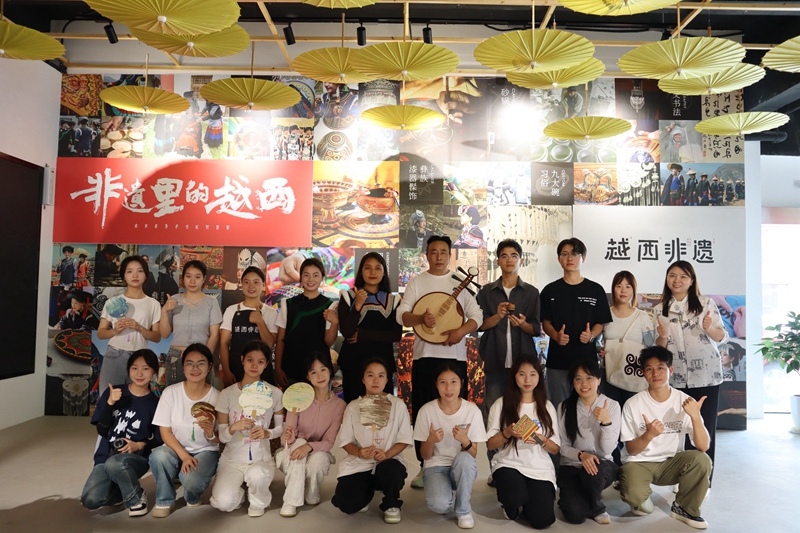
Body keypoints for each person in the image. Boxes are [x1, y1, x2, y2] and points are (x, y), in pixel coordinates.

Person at [397, 235, 482, 488]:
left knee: (456, 411)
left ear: (449, 255)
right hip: (425, 357)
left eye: (443, 252)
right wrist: (420, 319)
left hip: (455, 357)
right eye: (433, 252)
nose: (438, 256)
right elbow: (402, 315)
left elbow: (477, 315)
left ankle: (458, 463)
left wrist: (460, 332)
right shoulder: (417, 281)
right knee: (424, 410)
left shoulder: (459, 282)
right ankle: (425, 466)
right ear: (426, 255)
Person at [619, 346, 712, 530]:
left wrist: (695, 416)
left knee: (702, 460)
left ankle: (685, 508)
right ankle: (640, 501)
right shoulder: (632, 404)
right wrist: (648, 435)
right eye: (649, 369)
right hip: (639, 462)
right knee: (636, 499)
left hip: (671, 462)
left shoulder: (684, 401)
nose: (655, 373)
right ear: (643, 373)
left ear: (670, 370)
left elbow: (703, 446)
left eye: (660, 368)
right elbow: (632, 450)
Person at [653, 261, 727, 480]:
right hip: (675, 378)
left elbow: (721, 337)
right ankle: (681, 477)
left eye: (683, 276)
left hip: (706, 376)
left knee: (704, 427)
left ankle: (704, 479)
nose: (677, 280)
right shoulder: (659, 309)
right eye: (672, 275)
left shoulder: (706, 304)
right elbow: (659, 347)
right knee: (678, 428)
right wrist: (662, 336)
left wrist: (708, 328)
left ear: (692, 280)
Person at [476, 239, 540, 465]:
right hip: (495, 363)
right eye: (504, 256)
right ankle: (496, 465)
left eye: (514, 255)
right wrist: (498, 316)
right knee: (495, 414)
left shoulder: (531, 292)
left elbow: (536, 329)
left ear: (520, 260)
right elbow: (480, 325)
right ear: (498, 261)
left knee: (524, 413)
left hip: (523, 366)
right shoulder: (487, 292)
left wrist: (523, 324)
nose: (509, 260)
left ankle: (523, 462)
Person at [332, 358, 413, 524]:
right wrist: (358, 452)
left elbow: (404, 439)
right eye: (370, 375)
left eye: (381, 375)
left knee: (392, 470)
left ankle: (391, 503)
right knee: (347, 503)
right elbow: (346, 441)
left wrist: (387, 454)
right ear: (363, 378)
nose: (376, 380)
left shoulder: (397, 405)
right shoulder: (353, 406)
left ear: (387, 379)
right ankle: (366, 493)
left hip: (388, 462)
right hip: (360, 463)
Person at [81, 349, 161, 517]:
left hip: (136, 459)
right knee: (90, 500)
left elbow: (160, 438)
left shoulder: (155, 404)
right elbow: (102, 430)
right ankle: (121, 492)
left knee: (115, 464)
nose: (139, 373)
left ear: (154, 371)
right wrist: (110, 403)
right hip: (106, 457)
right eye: (134, 368)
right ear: (128, 370)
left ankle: (136, 498)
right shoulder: (114, 393)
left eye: (145, 368)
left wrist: (140, 445)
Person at [485, 354, 560, 530]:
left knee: (542, 521)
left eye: (533, 374)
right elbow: (490, 444)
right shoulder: (501, 404)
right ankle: (511, 504)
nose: (527, 380)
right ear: (514, 376)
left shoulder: (547, 406)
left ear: (539, 377)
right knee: (514, 496)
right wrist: (507, 433)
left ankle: (527, 502)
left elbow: (555, 449)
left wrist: (541, 439)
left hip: (539, 468)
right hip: (508, 464)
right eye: (522, 374)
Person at [210, 340, 285, 517]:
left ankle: (258, 501)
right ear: (242, 359)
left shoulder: (274, 393)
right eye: (250, 360)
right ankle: (240, 495)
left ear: (266, 364)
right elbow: (222, 436)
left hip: (261, 458)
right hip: (232, 460)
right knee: (223, 502)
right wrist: (233, 428)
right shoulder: (227, 394)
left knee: (257, 474)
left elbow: (280, 429)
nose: (254, 365)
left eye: (260, 361)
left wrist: (267, 433)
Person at [149, 344, 220, 518]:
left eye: (201, 363)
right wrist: (184, 456)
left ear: (209, 366)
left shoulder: (218, 397)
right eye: (190, 364)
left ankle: (193, 493)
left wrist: (211, 434)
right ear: (183, 367)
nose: (195, 368)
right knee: (158, 456)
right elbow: (165, 432)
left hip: (206, 450)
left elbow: (223, 438)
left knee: (191, 480)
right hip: (176, 449)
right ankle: (164, 499)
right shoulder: (170, 393)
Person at [413, 363, 487, 529]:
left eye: (453, 382)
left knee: (465, 459)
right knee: (439, 506)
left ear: (461, 383)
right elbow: (425, 455)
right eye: (443, 382)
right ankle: (445, 492)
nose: (448, 388)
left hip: (461, 466)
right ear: (436, 384)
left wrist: (465, 440)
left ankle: (464, 510)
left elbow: (473, 454)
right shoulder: (426, 411)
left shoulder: (472, 411)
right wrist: (431, 440)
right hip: (435, 466)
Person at [540, 238, 612, 409]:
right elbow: (546, 322)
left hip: (587, 362)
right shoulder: (550, 290)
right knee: (559, 407)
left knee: (588, 407)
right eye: (565, 254)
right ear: (559, 259)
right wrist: (555, 335)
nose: (570, 258)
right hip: (558, 361)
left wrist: (591, 335)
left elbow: (601, 322)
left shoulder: (595, 290)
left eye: (575, 254)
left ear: (583, 258)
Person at [276, 350, 346, 517]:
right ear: (308, 376)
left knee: (318, 459)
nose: (319, 375)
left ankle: (311, 491)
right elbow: (290, 437)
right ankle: (291, 501)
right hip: (292, 453)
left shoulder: (340, 406)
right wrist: (289, 437)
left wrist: (308, 447)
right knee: (299, 443)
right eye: (313, 372)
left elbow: (329, 442)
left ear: (330, 371)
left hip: (318, 452)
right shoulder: (298, 397)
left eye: (323, 369)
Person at [556, 359, 621, 525]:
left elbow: (607, 449)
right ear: (573, 382)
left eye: (589, 378)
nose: (584, 384)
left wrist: (606, 422)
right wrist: (581, 455)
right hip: (572, 466)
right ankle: (577, 499)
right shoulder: (564, 407)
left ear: (599, 380)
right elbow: (562, 446)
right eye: (578, 379)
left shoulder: (612, 406)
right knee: (575, 515)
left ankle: (597, 508)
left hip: (602, 466)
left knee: (593, 470)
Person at [338, 252, 403, 402]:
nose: (373, 272)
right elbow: (347, 331)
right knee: (354, 408)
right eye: (368, 268)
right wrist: (357, 306)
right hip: (353, 364)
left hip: (382, 364)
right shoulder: (348, 296)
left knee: (381, 410)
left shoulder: (393, 300)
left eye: (377, 268)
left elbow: (396, 335)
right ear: (361, 271)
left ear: (384, 272)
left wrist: (363, 335)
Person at [97, 256, 162, 395]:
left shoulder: (153, 304)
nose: (135, 275)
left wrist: (139, 327)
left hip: (140, 358)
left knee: (136, 401)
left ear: (146, 275)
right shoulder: (113, 302)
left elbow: (157, 337)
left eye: (140, 271)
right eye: (129, 271)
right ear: (124, 276)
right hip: (115, 355)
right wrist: (115, 330)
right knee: (109, 398)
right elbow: (101, 333)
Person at [275, 258, 338, 389]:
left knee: (320, 403)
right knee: (292, 403)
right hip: (291, 368)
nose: (311, 279)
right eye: (306, 275)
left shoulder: (329, 305)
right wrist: (278, 368)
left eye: (315, 275)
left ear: (322, 278)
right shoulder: (288, 304)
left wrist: (335, 323)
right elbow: (280, 339)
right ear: (301, 277)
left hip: (319, 372)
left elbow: (328, 342)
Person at [160, 260, 223, 386]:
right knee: (175, 395)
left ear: (203, 278)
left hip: (202, 357)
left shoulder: (211, 302)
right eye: (188, 276)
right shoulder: (174, 300)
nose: (192, 281)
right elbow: (165, 334)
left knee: (202, 396)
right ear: (183, 278)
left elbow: (214, 334)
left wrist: (204, 357)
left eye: (197, 277)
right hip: (176, 358)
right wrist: (164, 310)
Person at [598, 271, 654, 407]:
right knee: (611, 413)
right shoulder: (605, 315)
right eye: (619, 286)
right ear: (613, 289)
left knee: (633, 414)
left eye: (628, 286)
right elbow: (596, 341)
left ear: (634, 290)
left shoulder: (642, 317)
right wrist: (600, 350)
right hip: (609, 374)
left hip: (634, 375)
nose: (623, 290)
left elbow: (650, 346)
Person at [220, 266, 278, 387]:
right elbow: (224, 343)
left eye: (256, 282)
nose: (251, 286)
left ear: (263, 285)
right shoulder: (231, 310)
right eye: (246, 282)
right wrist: (226, 371)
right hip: (236, 370)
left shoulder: (270, 312)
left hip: (262, 371)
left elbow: (270, 343)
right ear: (241, 284)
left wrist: (259, 321)